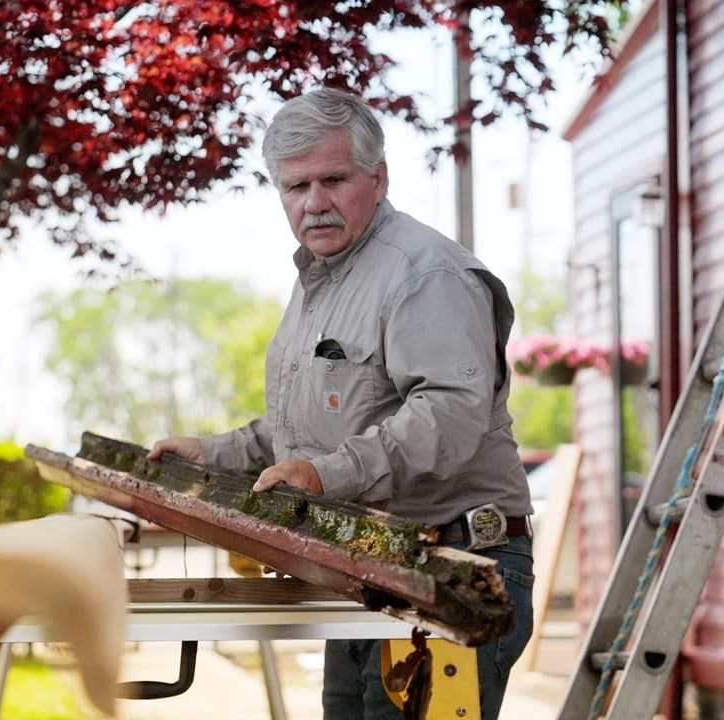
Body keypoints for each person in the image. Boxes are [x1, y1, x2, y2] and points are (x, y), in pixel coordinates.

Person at [148, 87, 534, 720]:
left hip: (454, 570)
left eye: (334, 179)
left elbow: (450, 415)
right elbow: (307, 427)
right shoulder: (321, 280)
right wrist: (212, 453)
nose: (314, 203)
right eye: (295, 187)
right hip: (364, 568)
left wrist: (325, 475)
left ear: (378, 179)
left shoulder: (424, 273)